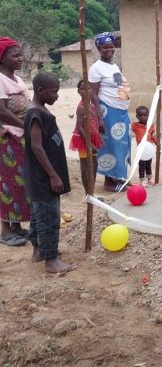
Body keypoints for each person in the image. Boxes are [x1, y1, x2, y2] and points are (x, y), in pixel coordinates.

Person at [24, 72, 77, 273]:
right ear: (40, 91)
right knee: (49, 217)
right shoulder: (35, 114)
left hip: (42, 177)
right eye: (54, 92)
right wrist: (53, 175)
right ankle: (51, 260)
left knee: (39, 215)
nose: (57, 96)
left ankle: (38, 251)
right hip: (44, 178)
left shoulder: (40, 110)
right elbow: (37, 147)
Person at [89, 32, 131, 192]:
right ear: (99, 48)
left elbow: (120, 85)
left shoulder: (114, 67)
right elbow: (93, 94)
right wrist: (99, 118)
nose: (109, 50)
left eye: (111, 47)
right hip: (107, 112)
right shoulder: (96, 68)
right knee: (110, 145)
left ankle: (120, 178)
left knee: (122, 145)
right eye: (105, 47)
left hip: (120, 112)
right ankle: (109, 181)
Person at [0, 37, 31, 247]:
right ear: (2, 58)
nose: (20, 59)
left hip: (22, 137)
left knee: (22, 182)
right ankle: (5, 231)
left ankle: (18, 226)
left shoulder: (17, 80)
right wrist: (23, 124)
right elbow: (1, 111)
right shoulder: (0, 79)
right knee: (8, 183)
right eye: (15, 55)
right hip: (8, 138)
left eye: (20, 55)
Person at [69, 80, 102, 194]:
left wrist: (98, 136)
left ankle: (91, 190)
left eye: (88, 88)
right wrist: (89, 144)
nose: (86, 91)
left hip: (92, 138)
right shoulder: (81, 107)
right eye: (83, 88)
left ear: (92, 90)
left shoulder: (92, 105)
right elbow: (79, 127)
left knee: (94, 164)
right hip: (83, 140)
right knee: (85, 165)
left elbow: (94, 123)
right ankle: (87, 193)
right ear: (79, 91)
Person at [131, 105, 157, 187]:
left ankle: (149, 178)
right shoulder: (135, 126)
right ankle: (142, 180)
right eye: (140, 115)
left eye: (145, 115)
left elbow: (153, 136)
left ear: (148, 116)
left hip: (149, 150)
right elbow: (128, 126)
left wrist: (157, 143)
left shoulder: (151, 127)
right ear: (137, 116)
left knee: (148, 164)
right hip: (141, 150)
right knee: (141, 164)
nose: (143, 117)